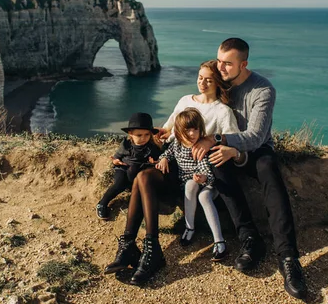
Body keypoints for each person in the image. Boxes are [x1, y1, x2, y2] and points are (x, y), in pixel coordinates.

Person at [103, 60, 246, 285]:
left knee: (142, 178)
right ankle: (133, 245)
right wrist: (159, 138)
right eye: (200, 77)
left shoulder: (223, 111)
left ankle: (148, 250)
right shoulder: (184, 100)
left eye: (209, 78)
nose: (202, 82)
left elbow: (234, 140)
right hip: (172, 162)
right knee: (143, 176)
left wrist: (214, 142)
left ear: (218, 82)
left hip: (196, 170)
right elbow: (169, 129)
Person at [192, 37, 308, 299]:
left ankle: (288, 257)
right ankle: (250, 239)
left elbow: (256, 136)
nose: (220, 69)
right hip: (226, 150)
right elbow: (197, 104)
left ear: (243, 64)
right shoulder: (218, 83)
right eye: (219, 62)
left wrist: (222, 140)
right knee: (216, 160)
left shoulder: (262, 90)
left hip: (255, 151)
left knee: (268, 167)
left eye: (228, 64)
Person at [157, 108, 241, 261]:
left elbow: (207, 171)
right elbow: (167, 153)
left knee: (204, 197)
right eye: (187, 130)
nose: (192, 134)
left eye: (195, 130)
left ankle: (219, 241)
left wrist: (202, 178)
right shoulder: (177, 144)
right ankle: (190, 228)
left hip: (209, 184)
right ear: (179, 131)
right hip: (191, 183)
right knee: (190, 185)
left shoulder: (201, 147)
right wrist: (163, 159)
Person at [96, 112, 162, 220]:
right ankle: (102, 203)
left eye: (147, 134)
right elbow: (117, 157)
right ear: (130, 133)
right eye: (139, 135)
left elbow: (158, 159)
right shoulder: (126, 145)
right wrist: (116, 162)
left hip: (139, 171)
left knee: (142, 183)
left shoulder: (152, 147)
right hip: (124, 168)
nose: (143, 138)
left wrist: (154, 162)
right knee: (119, 183)